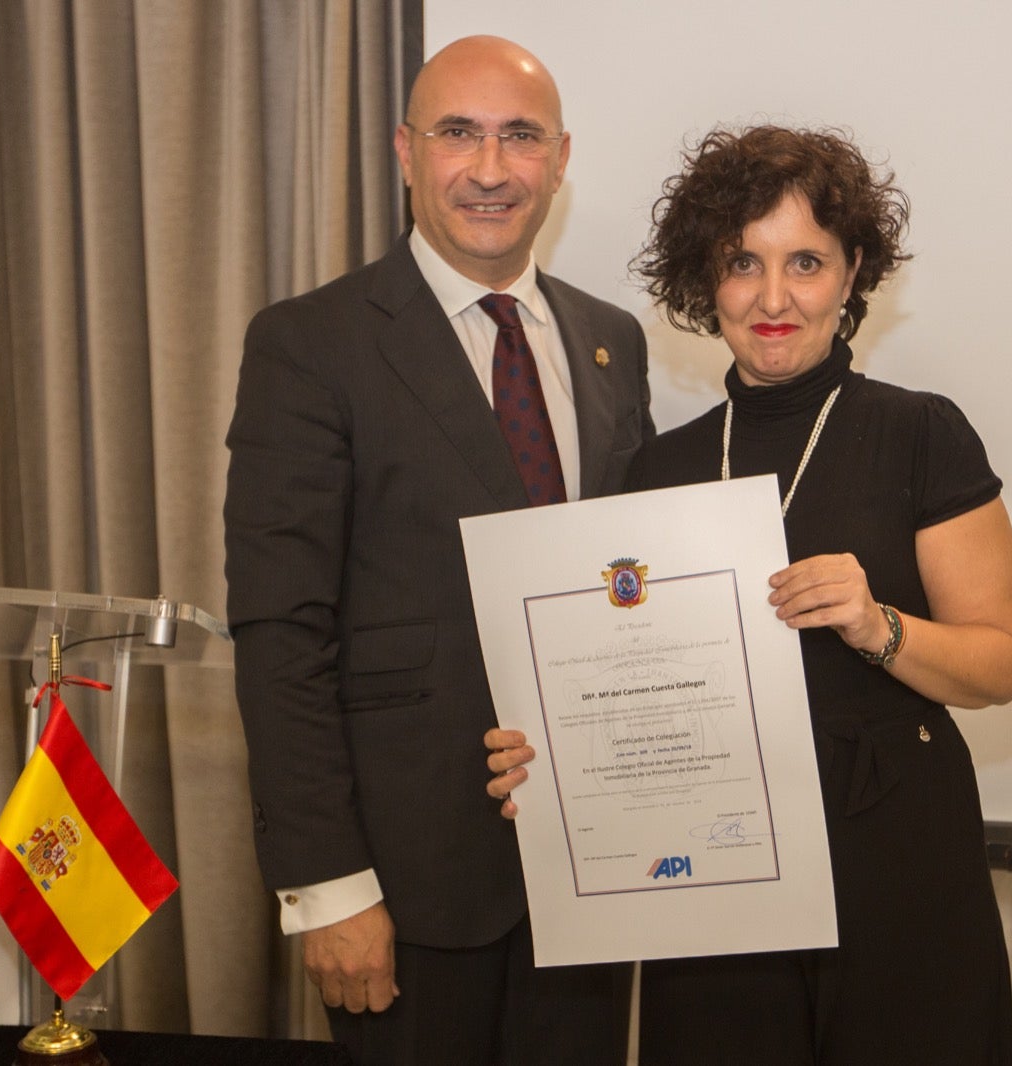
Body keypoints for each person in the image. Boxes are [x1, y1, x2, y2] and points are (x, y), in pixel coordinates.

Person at [487, 126, 1012, 1064]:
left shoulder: (920, 433)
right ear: (707, 279)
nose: (773, 298)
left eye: (807, 263)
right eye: (744, 262)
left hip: (900, 866)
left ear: (853, 270)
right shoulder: (658, 467)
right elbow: (618, 682)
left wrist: (880, 626)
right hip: (715, 885)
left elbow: (1003, 665)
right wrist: (552, 761)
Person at [224, 35, 652, 1066]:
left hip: (594, 877)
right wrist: (328, 886)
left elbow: (626, 591)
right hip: (406, 890)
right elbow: (282, 631)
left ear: (559, 157)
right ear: (406, 150)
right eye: (459, 134)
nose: (491, 169)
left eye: (520, 137)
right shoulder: (310, 344)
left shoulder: (611, 341)